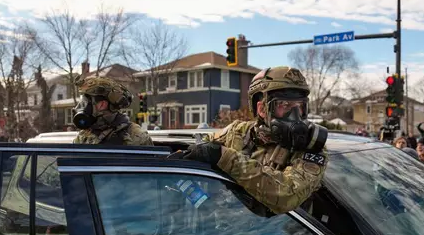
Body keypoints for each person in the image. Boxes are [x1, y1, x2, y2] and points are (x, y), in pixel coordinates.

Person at [169, 66, 328, 215]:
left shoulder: (311, 148)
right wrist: (202, 201)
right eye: (285, 105)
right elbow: (202, 147)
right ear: (261, 109)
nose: (295, 114)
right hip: (233, 232)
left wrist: (225, 157)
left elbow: (286, 196)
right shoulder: (238, 132)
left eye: (300, 106)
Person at [72, 77, 153, 146]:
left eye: (84, 103)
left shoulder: (136, 136)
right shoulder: (83, 136)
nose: (79, 107)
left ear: (102, 105)